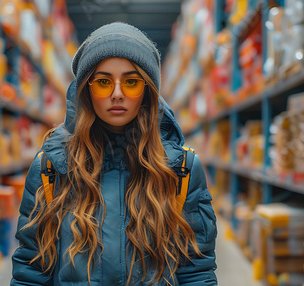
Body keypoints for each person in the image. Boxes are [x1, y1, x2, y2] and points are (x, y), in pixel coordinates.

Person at [11, 22, 217, 286]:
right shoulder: (52, 167)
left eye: (131, 82)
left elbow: (196, 273)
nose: (117, 94)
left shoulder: (181, 169)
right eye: (103, 82)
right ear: (86, 89)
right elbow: (31, 271)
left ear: (147, 91)